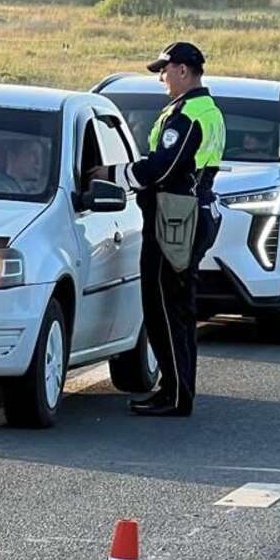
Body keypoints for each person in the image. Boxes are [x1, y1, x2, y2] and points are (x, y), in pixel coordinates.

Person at [88, 42, 224, 417]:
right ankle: (176, 390)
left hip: (175, 219)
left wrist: (112, 174)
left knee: (165, 308)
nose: (161, 78)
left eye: (164, 70)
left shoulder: (188, 115)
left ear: (183, 70)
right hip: (191, 211)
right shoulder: (207, 110)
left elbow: (162, 168)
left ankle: (176, 394)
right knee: (176, 307)